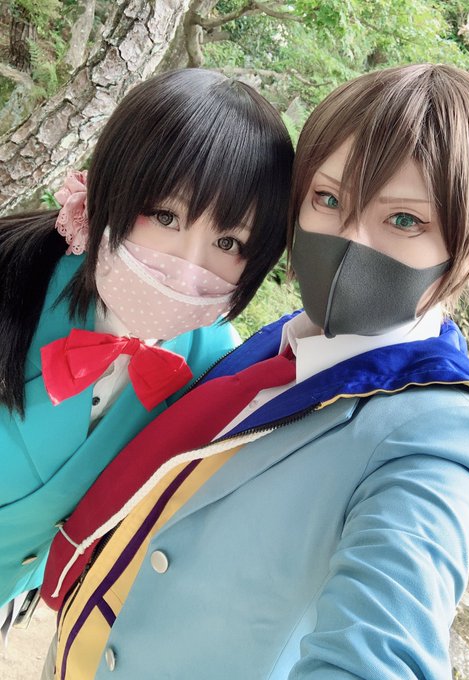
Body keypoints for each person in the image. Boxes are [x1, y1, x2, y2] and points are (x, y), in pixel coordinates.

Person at [42, 63, 469, 680]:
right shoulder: (289, 340)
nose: (349, 240)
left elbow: (382, 648)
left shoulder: (440, 435)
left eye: (404, 220)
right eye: (328, 199)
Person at [0, 67, 294, 632]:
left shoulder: (215, 369)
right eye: (165, 216)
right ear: (114, 189)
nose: (187, 265)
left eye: (229, 241)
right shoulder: (15, 271)